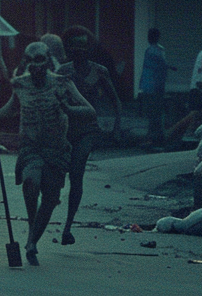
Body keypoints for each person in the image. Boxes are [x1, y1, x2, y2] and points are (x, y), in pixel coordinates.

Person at [0, 41, 95, 265]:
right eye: (31, 64)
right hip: (31, 148)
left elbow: (89, 110)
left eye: (40, 63)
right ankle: (31, 227)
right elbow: (11, 108)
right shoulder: (20, 85)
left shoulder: (61, 83)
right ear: (27, 64)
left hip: (56, 149)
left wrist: (68, 109)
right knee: (30, 181)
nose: (36, 69)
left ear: (47, 62)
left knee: (49, 199)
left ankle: (32, 242)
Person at [57, 27, 122, 246]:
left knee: (76, 174)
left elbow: (115, 100)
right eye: (75, 47)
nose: (79, 51)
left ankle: (68, 225)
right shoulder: (63, 72)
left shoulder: (99, 71)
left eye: (83, 47)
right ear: (69, 49)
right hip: (64, 129)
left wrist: (116, 128)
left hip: (87, 130)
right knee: (56, 174)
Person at [138, 28, 170, 149]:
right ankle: (155, 137)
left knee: (154, 114)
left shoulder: (152, 51)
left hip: (153, 87)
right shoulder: (158, 50)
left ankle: (154, 138)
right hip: (154, 87)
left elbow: (158, 70)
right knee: (155, 113)